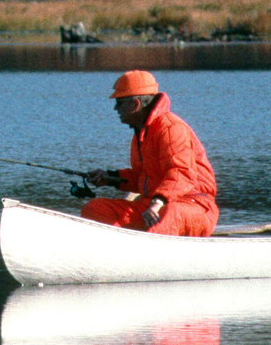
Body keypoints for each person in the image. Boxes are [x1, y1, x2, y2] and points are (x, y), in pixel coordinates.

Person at [79, 70, 220, 236]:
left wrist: (158, 202)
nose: (115, 108)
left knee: (170, 213)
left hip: (193, 206)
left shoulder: (171, 128)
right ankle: (119, 249)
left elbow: (182, 174)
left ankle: (148, 251)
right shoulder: (140, 134)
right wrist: (109, 178)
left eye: (119, 102)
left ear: (135, 105)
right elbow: (142, 178)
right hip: (153, 206)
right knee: (95, 209)